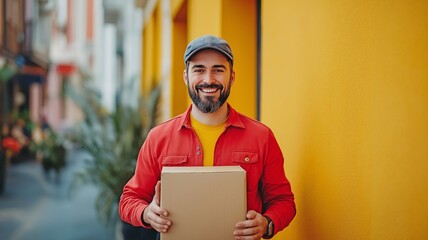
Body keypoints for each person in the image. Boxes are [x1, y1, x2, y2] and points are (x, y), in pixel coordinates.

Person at [119, 35, 296, 239]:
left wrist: (266, 223)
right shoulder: (158, 138)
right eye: (199, 70)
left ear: (232, 77)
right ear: (186, 76)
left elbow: (283, 201)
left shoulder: (261, 137)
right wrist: (146, 213)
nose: (209, 80)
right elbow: (129, 199)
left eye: (218, 70)